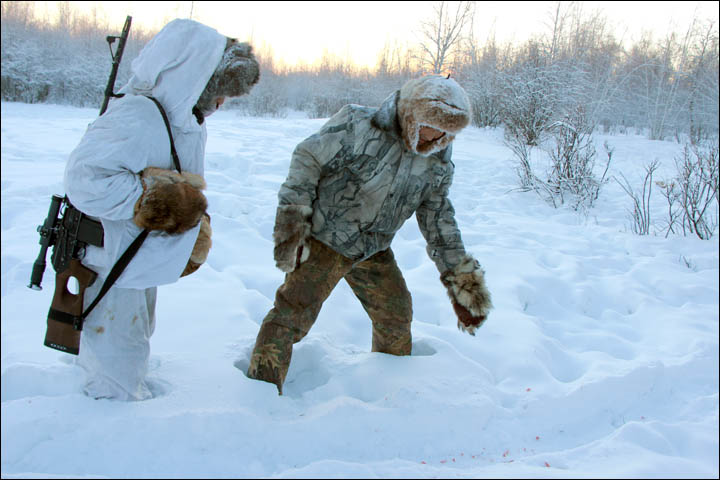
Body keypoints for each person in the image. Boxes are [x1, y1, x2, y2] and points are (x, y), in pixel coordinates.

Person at [246, 75, 493, 395]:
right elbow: (308, 156)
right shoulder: (358, 125)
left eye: (447, 131)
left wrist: (463, 282)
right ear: (411, 114)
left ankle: (389, 388)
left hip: (373, 248)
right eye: (431, 125)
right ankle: (261, 393)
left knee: (397, 312)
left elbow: (438, 219)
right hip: (327, 239)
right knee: (292, 314)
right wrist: (293, 223)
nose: (437, 137)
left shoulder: (437, 161)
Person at [63, 18, 260, 400]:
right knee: (116, 359)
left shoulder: (182, 118)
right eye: (217, 91)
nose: (221, 102)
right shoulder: (137, 115)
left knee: (134, 335)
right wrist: (163, 202)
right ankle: (107, 421)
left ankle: (113, 390)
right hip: (111, 259)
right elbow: (84, 180)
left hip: (133, 256)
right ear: (193, 77)